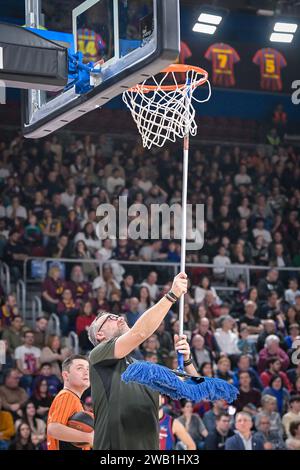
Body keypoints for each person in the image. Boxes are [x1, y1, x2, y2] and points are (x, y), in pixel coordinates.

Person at [88, 272, 189, 450]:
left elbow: (183, 384)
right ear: (100, 335)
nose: (118, 318)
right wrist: (171, 295)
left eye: (117, 315)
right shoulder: (98, 355)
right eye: (110, 318)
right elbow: (140, 333)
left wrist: (186, 359)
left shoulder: (141, 367)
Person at [47, 355, 93, 450]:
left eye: (88, 369)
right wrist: (89, 437)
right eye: (80, 368)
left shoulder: (74, 399)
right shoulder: (67, 396)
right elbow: (53, 429)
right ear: (66, 375)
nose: (86, 372)